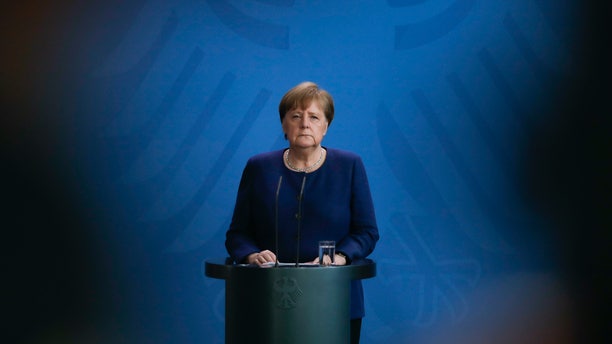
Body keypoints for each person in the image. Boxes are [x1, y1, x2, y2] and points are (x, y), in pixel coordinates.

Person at [225, 81, 379, 343]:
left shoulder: (349, 165)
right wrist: (251, 255)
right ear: (284, 125)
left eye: (314, 117)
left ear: (326, 125)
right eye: (295, 116)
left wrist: (340, 257)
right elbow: (237, 234)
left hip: (335, 299)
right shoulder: (259, 167)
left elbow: (366, 232)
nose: (304, 124)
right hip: (266, 298)